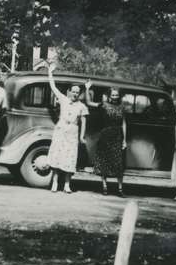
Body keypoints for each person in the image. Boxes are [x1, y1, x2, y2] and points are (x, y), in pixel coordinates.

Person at [46, 63, 89, 193]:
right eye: (73, 91)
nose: (75, 94)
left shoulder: (81, 106)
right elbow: (53, 87)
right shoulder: (63, 99)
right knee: (58, 156)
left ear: (79, 94)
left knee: (69, 157)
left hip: (72, 132)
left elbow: (83, 121)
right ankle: (54, 183)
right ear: (68, 92)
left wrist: (82, 136)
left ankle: (66, 184)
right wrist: (50, 73)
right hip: (61, 129)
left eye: (77, 92)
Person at [82, 81, 128, 196]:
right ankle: (104, 186)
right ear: (109, 95)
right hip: (106, 135)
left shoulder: (122, 107)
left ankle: (120, 188)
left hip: (117, 136)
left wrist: (124, 140)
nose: (115, 97)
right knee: (104, 162)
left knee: (118, 163)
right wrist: (87, 88)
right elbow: (89, 103)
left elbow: (124, 123)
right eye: (113, 95)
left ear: (119, 96)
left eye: (116, 95)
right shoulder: (104, 105)